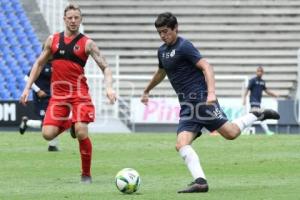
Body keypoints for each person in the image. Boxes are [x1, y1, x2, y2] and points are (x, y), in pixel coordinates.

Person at [141, 12, 280, 193]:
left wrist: (211, 93)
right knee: (181, 144)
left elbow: (207, 66)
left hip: (202, 100)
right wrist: (147, 89)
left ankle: (256, 114)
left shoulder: (184, 46)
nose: (162, 35)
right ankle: (200, 182)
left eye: (166, 31)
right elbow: (161, 72)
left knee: (230, 133)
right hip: (187, 106)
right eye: (159, 32)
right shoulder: (162, 51)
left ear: (176, 28)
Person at [19, 4, 116, 184]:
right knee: (47, 134)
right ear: (64, 19)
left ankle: (86, 174)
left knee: (81, 131)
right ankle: (72, 123)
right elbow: (39, 64)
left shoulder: (87, 43)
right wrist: (27, 88)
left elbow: (106, 67)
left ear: (80, 20)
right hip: (59, 95)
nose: (73, 21)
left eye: (76, 18)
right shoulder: (52, 40)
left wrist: (109, 87)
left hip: (80, 93)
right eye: (69, 18)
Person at [19, 59, 60, 152]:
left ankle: (52, 145)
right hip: (41, 98)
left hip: (51, 97)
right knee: (47, 123)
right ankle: (52, 145)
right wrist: (38, 90)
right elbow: (27, 78)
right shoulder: (41, 64)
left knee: (54, 120)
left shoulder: (55, 64)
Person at [243, 66, 279, 135]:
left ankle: (245, 132)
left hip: (258, 102)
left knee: (253, 116)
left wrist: (274, 95)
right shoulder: (253, 80)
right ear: (256, 72)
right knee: (260, 115)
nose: (259, 72)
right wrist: (244, 99)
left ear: (263, 73)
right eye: (258, 71)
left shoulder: (262, 82)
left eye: (261, 71)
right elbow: (247, 89)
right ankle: (267, 131)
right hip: (253, 101)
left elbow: (266, 91)